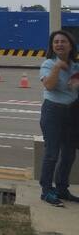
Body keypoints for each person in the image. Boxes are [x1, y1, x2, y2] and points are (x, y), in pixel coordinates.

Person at [38, 30, 79, 206]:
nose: (60, 44)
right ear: (52, 46)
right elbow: (49, 85)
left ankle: (62, 188)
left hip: (72, 112)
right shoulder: (48, 63)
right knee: (52, 153)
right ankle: (46, 190)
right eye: (56, 42)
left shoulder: (77, 66)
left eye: (63, 41)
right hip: (53, 111)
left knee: (69, 154)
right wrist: (57, 68)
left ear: (71, 45)